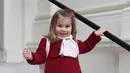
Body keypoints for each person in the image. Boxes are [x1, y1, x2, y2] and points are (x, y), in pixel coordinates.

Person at [23, 9, 106, 73]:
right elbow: (40, 56)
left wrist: (95, 35)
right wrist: (32, 56)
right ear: (53, 26)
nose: (63, 29)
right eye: (60, 26)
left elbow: (86, 46)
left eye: (67, 26)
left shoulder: (74, 43)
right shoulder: (47, 41)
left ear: (72, 27)